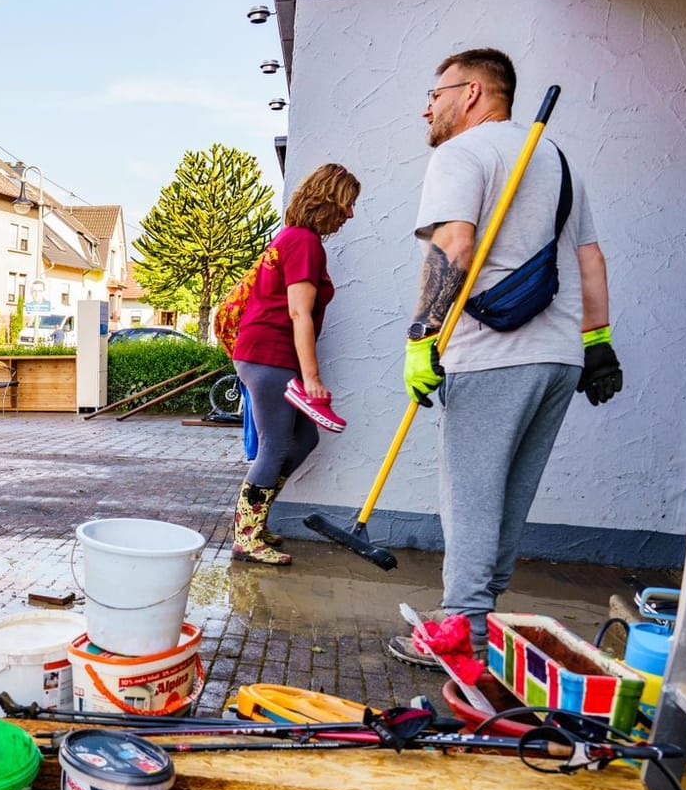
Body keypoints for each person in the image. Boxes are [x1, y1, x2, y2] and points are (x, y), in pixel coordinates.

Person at [387, 48, 623, 666]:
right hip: (559, 355)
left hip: (493, 352)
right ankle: (478, 616)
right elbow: (589, 258)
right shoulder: (553, 157)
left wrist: (421, 338)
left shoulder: (461, 154)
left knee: (470, 493)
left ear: (471, 93)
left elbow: (452, 246)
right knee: (511, 493)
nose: (427, 106)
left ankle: (461, 631)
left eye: (436, 94)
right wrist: (597, 344)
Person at [228, 163, 361, 565]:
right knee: (277, 444)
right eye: (347, 204)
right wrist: (313, 380)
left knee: (304, 440)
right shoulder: (304, 243)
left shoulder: (290, 238)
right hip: (269, 355)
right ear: (328, 201)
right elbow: (299, 314)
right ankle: (245, 538)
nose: (350, 214)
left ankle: (256, 522)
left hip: (264, 353)